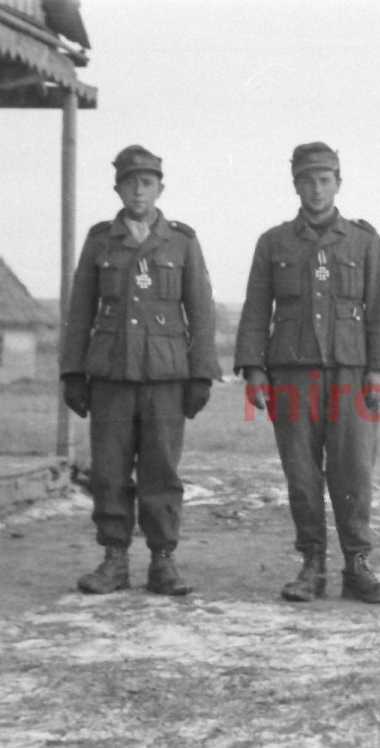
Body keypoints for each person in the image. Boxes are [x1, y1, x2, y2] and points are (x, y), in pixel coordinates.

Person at [234, 141, 380, 604]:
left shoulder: (364, 241)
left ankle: (358, 566)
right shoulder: (274, 242)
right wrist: (253, 370)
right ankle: (312, 566)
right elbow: (256, 308)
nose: (316, 189)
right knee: (302, 474)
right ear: (295, 185)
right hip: (292, 374)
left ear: (338, 183)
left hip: (351, 374)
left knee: (353, 473)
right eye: (307, 181)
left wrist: (379, 370)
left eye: (324, 180)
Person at [60, 144, 220, 596]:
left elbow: (201, 311)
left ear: (159, 189)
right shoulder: (100, 241)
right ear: (118, 189)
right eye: (130, 183)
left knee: (161, 472)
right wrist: (72, 373)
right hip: (110, 376)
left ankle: (162, 562)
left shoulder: (182, 241)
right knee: (109, 471)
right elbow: (80, 311)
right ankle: (114, 560)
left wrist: (200, 375)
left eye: (146, 183)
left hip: (165, 378)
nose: (138, 191)